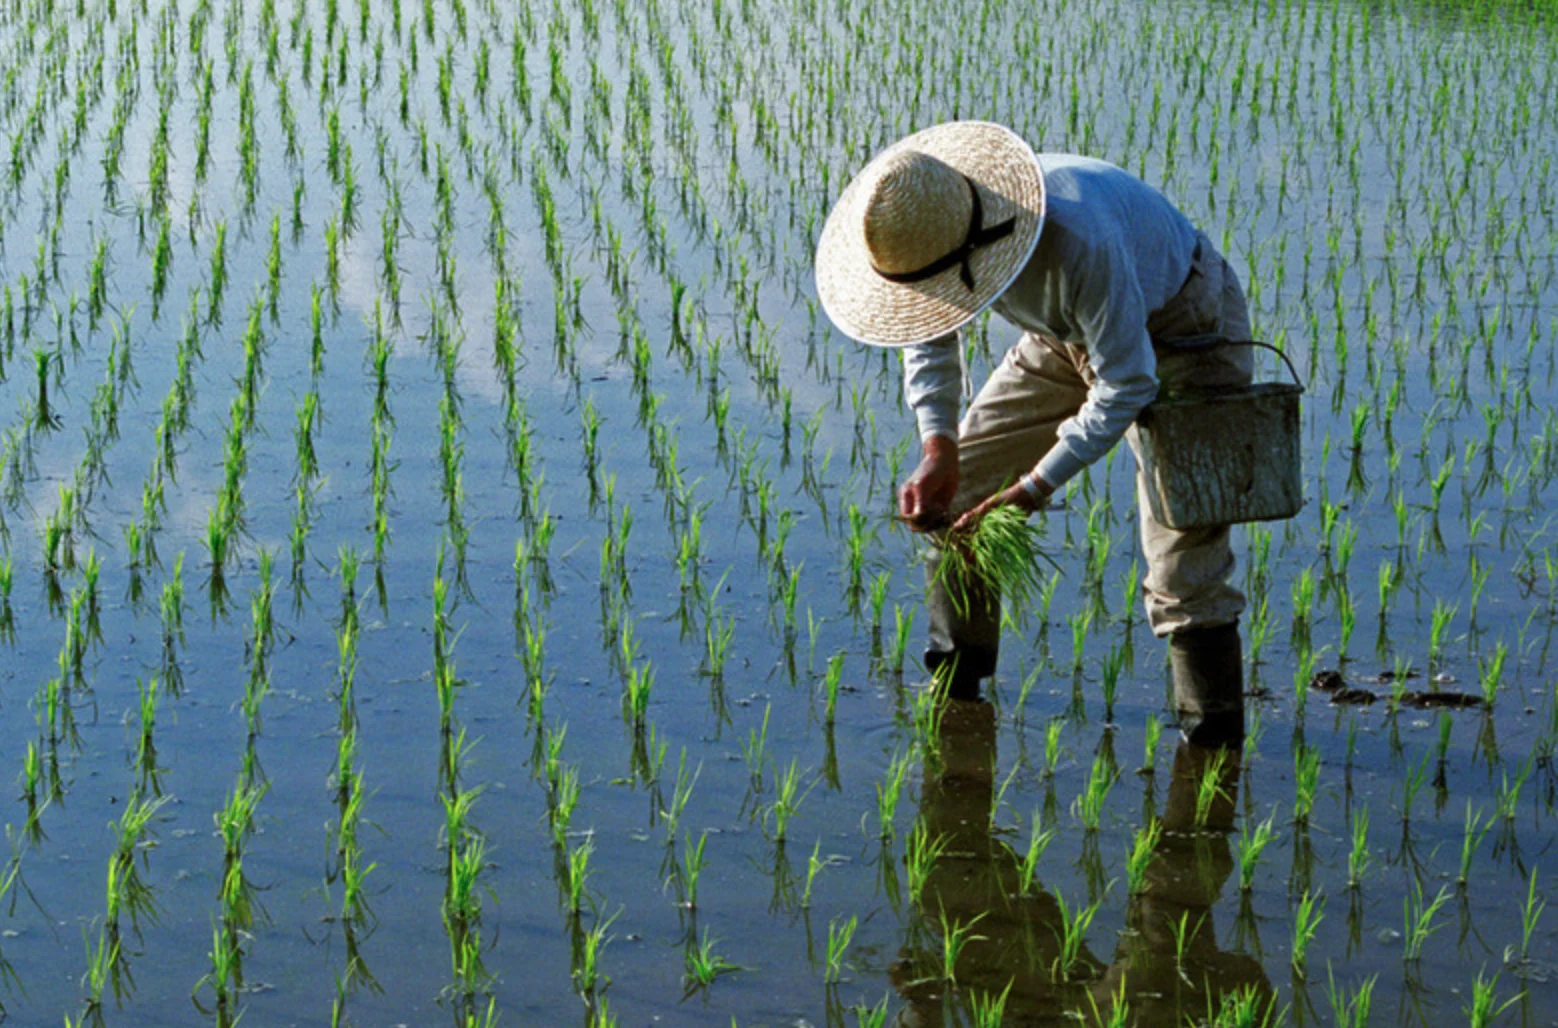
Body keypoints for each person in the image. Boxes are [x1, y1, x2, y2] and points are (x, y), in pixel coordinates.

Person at [815, 121, 1251, 747]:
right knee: (960, 500)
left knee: (1184, 559)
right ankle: (955, 693)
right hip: (1064, 335)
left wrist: (1032, 490)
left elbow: (1127, 383)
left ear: (976, 250)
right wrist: (940, 446)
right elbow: (929, 330)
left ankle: (1212, 748)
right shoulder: (928, 237)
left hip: (1187, 329)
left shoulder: (1079, 238)